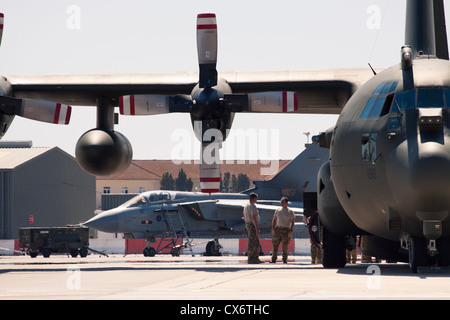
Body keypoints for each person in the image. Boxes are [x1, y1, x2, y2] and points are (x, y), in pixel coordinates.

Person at [271, 197, 295, 263]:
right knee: (275, 244)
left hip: (286, 230)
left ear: (286, 203)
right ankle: (273, 259)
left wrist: (291, 231)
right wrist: (273, 228)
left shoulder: (290, 211)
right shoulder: (278, 210)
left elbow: (292, 222)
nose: (281, 203)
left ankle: (284, 259)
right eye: (281, 202)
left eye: (283, 202)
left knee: (285, 245)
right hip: (278, 229)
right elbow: (274, 220)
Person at [243, 192, 262, 264]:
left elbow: (244, 217)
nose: (256, 200)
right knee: (255, 242)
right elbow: (253, 217)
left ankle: (252, 257)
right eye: (256, 198)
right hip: (252, 225)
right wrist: (257, 227)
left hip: (248, 224)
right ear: (253, 198)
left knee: (252, 241)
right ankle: (253, 258)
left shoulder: (246, 205)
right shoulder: (252, 206)